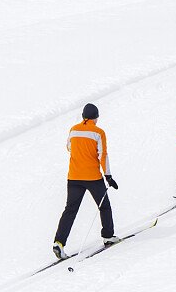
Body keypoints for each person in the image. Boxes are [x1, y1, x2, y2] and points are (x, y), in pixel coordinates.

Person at [53, 103, 120, 260]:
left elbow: (69, 147)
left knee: (70, 210)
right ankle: (108, 236)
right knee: (104, 206)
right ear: (95, 117)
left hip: (74, 177)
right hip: (92, 178)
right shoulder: (98, 132)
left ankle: (59, 243)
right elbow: (103, 155)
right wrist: (108, 176)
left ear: (83, 116)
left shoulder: (73, 130)